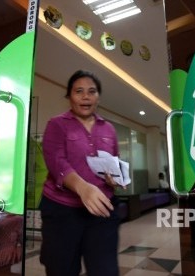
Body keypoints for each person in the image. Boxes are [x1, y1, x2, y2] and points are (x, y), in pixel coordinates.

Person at [39, 70, 122, 276]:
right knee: (62, 269)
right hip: (61, 210)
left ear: (98, 97)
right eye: (79, 91)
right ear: (69, 97)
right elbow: (57, 162)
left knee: (105, 270)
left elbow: (114, 162)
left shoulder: (109, 129)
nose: (86, 96)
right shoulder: (56, 124)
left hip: (102, 208)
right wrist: (83, 188)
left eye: (92, 92)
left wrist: (114, 179)